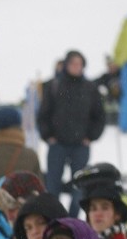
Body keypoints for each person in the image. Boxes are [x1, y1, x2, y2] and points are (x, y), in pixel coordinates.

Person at [37, 50, 106, 217]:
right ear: (66, 65)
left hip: (80, 146)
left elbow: (99, 116)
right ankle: (53, 218)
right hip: (58, 145)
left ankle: (73, 220)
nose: (76, 67)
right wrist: (48, 136)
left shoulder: (90, 88)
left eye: (79, 64)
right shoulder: (54, 85)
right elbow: (43, 115)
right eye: (73, 63)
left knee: (80, 187)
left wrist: (91, 136)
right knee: (53, 186)